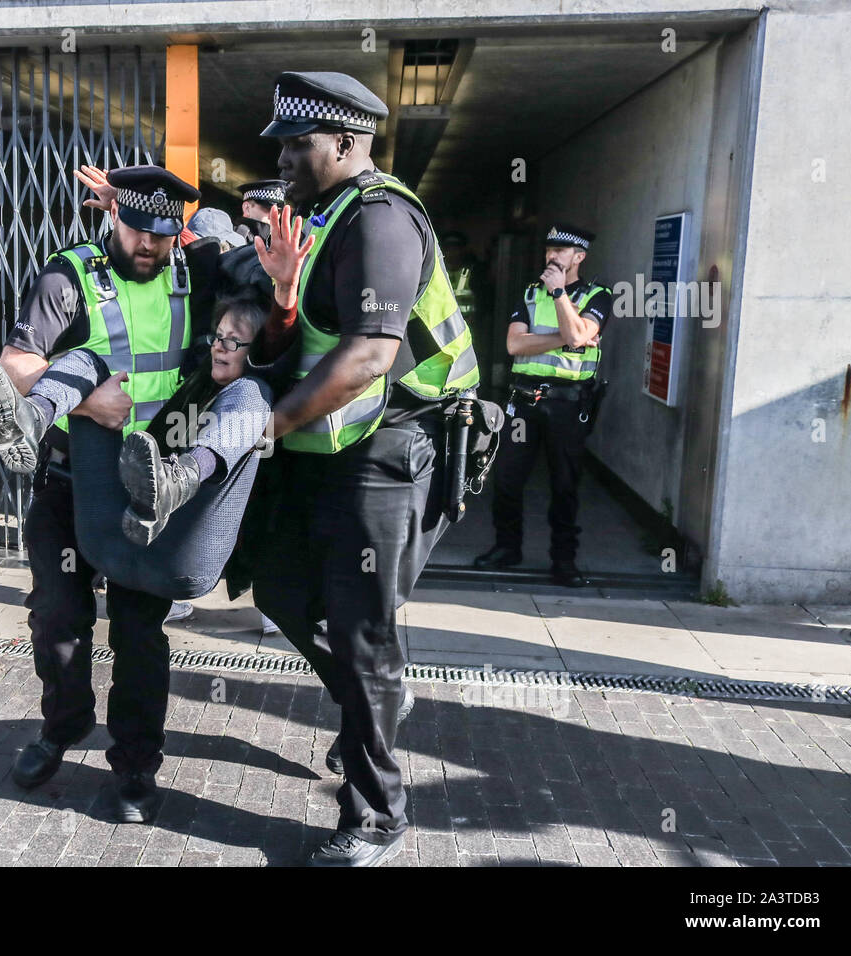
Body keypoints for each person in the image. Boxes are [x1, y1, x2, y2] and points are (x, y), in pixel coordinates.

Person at [249, 71, 480, 866]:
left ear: (346, 143)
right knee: (279, 588)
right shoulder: (321, 215)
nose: (282, 155)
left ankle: (376, 815)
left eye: (296, 142)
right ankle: (376, 699)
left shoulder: (381, 219)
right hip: (329, 450)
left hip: (392, 450)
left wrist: (265, 427)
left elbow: (370, 355)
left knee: (362, 633)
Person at [0, 164, 208, 825]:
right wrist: (91, 400)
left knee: (139, 632)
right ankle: (63, 726)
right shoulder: (67, 274)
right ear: (112, 219)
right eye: (136, 230)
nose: (148, 247)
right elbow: (16, 363)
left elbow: (247, 260)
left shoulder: (194, 271)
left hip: (147, 487)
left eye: (162, 235)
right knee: (58, 616)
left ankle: (134, 770)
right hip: (69, 476)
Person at [473, 224, 612, 588]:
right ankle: (507, 548)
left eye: (560, 251)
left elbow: (580, 334)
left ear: (578, 257)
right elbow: (515, 346)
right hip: (524, 401)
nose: (551, 256)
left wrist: (561, 296)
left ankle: (563, 561)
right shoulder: (531, 293)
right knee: (506, 479)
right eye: (549, 249)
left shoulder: (598, 295)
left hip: (568, 405)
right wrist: (566, 339)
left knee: (564, 484)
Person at [234, 179, 287, 244]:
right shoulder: (230, 237)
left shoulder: (279, 245)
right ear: (247, 208)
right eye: (268, 209)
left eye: (278, 212)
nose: (274, 216)